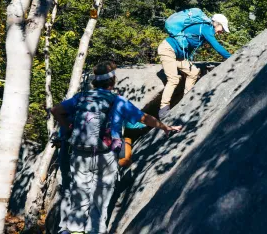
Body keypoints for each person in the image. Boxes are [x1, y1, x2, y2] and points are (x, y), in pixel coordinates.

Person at [52, 61, 181, 234]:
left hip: (80, 153)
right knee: (100, 202)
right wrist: (165, 127)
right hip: (106, 156)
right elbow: (144, 118)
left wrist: (68, 127)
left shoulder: (81, 98)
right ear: (112, 81)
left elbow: (56, 110)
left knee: (79, 195)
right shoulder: (118, 101)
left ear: (94, 81)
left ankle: (74, 230)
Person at [157, 12, 231, 119]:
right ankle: (163, 109)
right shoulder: (206, 29)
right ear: (217, 24)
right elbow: (217, 47)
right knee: (173, 79)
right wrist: (233, 57)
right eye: (222, 28)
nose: (222, 32)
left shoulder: (205, 29)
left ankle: (185, 100)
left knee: (193, 72)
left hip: (178, 55)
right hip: (168, 49)